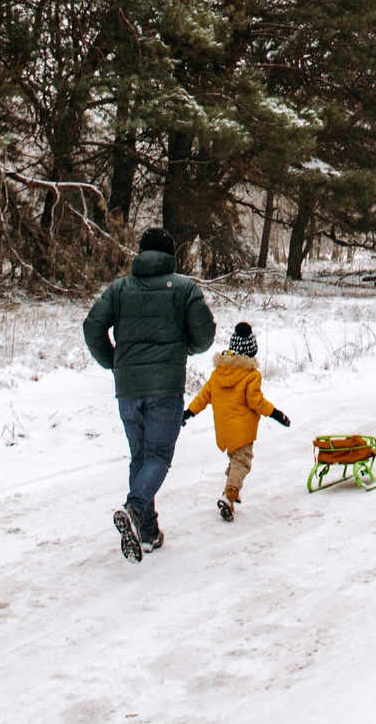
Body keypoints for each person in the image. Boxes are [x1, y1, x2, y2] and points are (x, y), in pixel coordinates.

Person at [83, 226, 216, 562]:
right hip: (165, 388)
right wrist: (185, 347)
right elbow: (204, 336)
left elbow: (92, 326)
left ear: (140, 253)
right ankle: (134, 509)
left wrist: (114, 362)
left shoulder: (119, 289)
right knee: (158, 456)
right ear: (170, 254)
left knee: (140, 457)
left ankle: (147, 530)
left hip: (128, 389)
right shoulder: (185, 288)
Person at [183, 320, 291, 521]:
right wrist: (275, 414)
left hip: (224, 430)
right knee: (242, 462)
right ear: (251, 351)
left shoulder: (218, 373)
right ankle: (230, 494)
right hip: (242, 430)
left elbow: (203, 397)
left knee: (234, 461)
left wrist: (188, 413)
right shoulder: (251, 375)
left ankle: (230, 493)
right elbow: (256, 401)